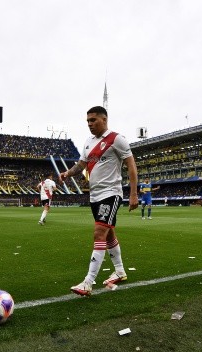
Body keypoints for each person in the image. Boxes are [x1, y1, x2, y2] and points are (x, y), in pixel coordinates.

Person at [59, 106, 138, 296]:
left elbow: (131, 166)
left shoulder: (116, 139)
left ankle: (88, 282)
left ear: (104, 119)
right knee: (109, 233)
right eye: (87, 121)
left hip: (111, 193)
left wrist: (134, 194)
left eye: (93, 120)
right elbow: (81, 165)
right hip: (94, 196)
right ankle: (119, 271)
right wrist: (68, 173)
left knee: (99, 232)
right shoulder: (88, 142)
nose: (90, 124)